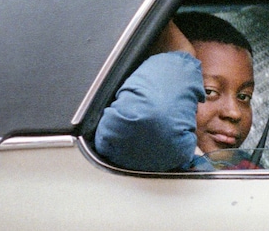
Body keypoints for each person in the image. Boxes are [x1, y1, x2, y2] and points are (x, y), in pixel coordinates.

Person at [95, 12, 256, 171]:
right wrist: (180, 52)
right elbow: (153, 118)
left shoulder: (245, 169)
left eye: (243, 96)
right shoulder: (137, 155)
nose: (234, 113)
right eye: (208, 92)